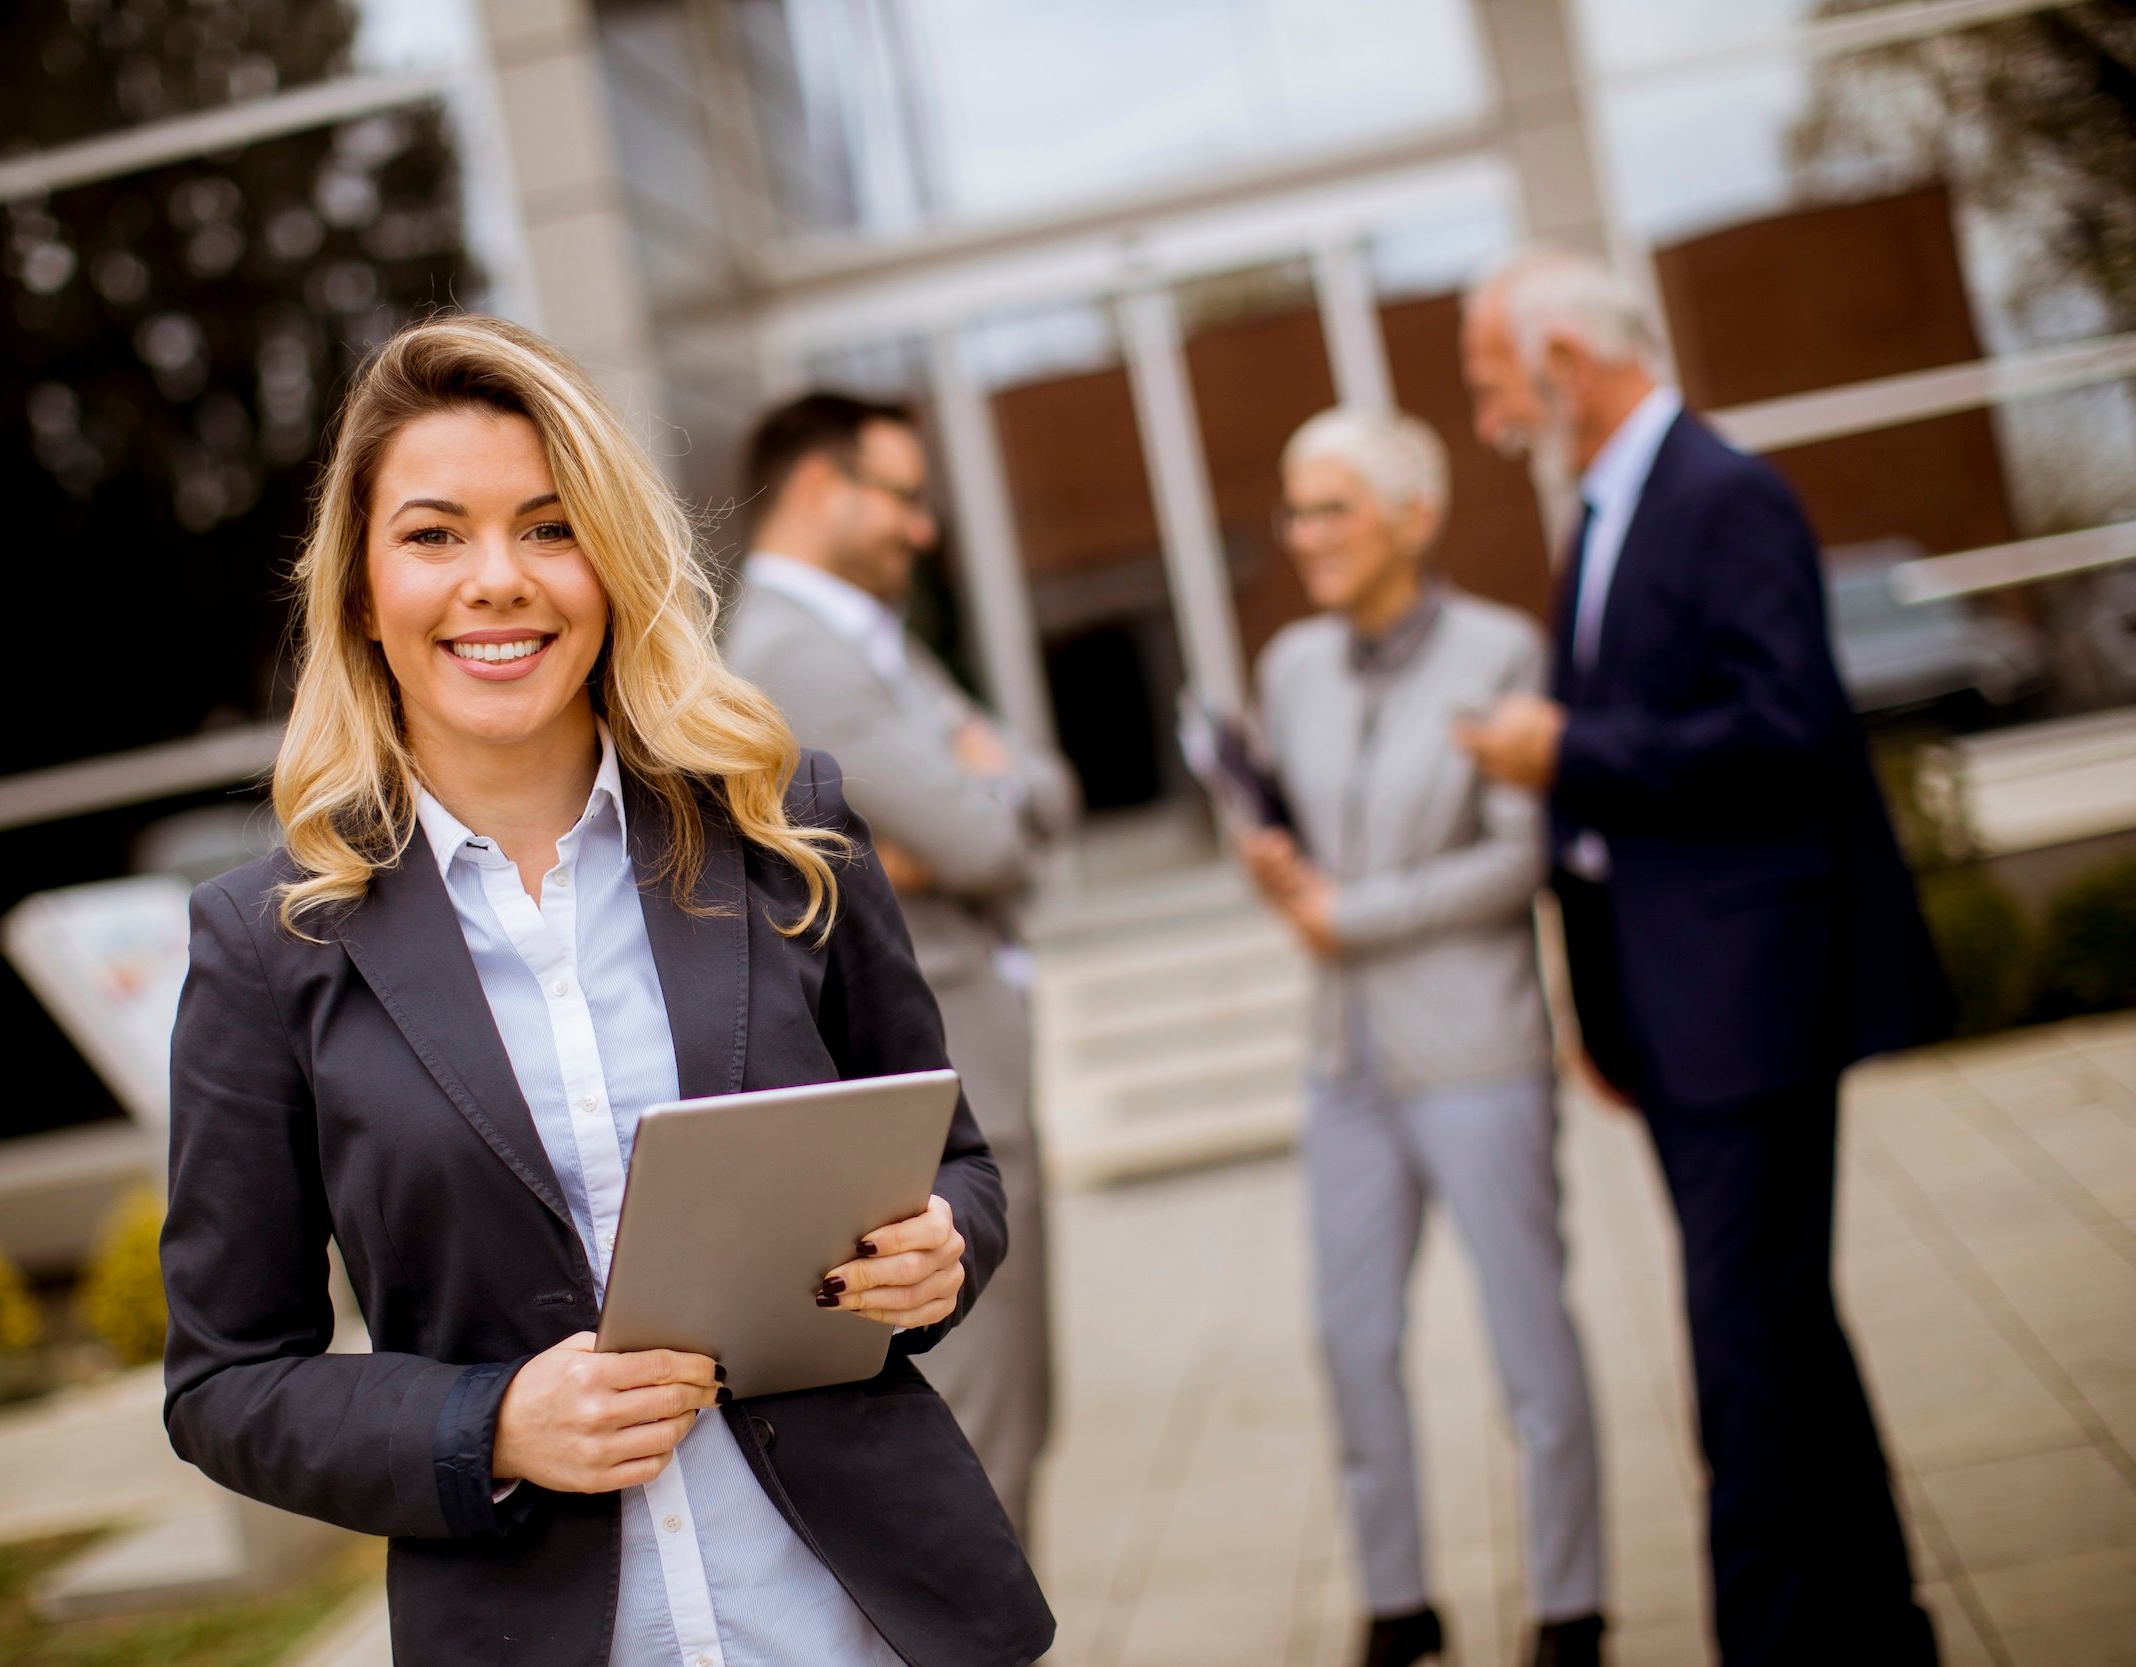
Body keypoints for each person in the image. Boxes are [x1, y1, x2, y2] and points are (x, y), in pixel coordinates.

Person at [159, 316, 1055, 1667]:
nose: (498, 581)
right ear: (358, 585)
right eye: (435, 534)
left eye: (549, 525)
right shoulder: (268, 941)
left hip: (861, 1616)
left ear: (612, 561)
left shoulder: (780, 826)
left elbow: (959, 1168)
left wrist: (942, 1249)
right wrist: (489, 1426)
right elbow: (226, 1380)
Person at [1454, 250, 1951, 1667]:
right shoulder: (1604, 508)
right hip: (1672, 1000)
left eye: (1493, 368)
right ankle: (1884, 1622)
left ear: (1564, 358)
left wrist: (1567, 750)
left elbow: (1787, 729)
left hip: (1753, 997)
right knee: (1785, 1323)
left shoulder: (1724, 494)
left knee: (1739, 1349)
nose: (1486, 400)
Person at [1238, 409, 1606, 1667]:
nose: (1307, 536)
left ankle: (1570, 1604)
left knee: (1528, 1343)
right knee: (1349, 1338)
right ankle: (1398, 1600)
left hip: (1476, 1050)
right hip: (1346, 1059)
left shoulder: (1503, 652)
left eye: (1333, 507)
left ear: (1414, 515)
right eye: (1295, 510)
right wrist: (1277, 867)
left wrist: (1357, 914)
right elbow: (1299, 837)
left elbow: (1519, 859)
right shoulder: (1290, 665)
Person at [721, 393, 1078, 1542]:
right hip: (939, 1083)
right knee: (984, 1438)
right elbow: (984, 835)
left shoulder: (873, 636)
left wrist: (990, 796)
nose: (923, 530)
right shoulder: (796, 655)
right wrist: (979, 803)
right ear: (823, 490)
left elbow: (1035, 792)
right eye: (904, 497)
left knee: (1019, 1418)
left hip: (975, 1057)